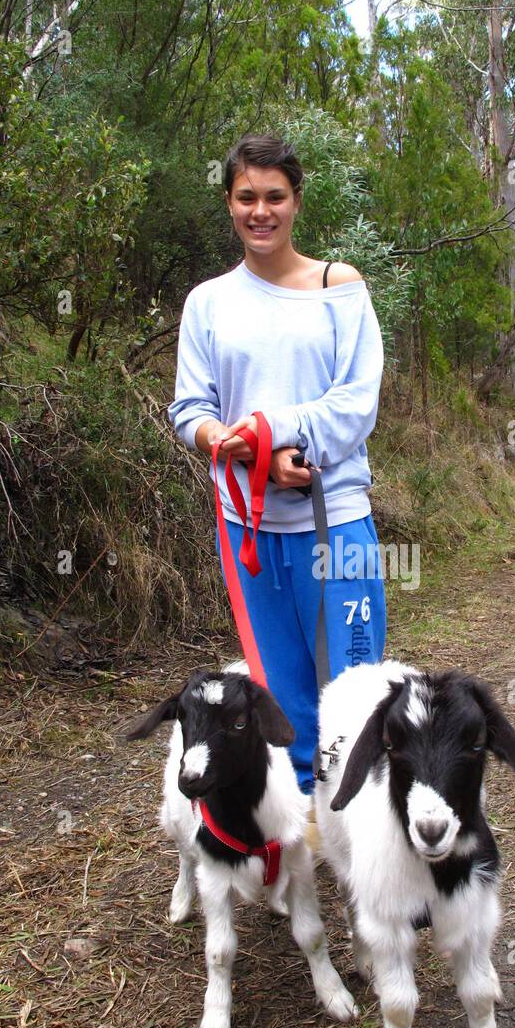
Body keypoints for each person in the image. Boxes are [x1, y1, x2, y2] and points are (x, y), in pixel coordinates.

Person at [168, 133, 387, 797]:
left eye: (274, 197)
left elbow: (355, 403)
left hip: (335, 520)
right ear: (229, 202)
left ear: (295, 202)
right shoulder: (207, 302)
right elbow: (190, 409)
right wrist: (228, 445)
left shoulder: (336, 286)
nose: (259, 212)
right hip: (247, 531)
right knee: (278, 689)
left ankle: (363, 817)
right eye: (245, 197)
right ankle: (301, 831)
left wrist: (275, 435)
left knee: (353, 685)